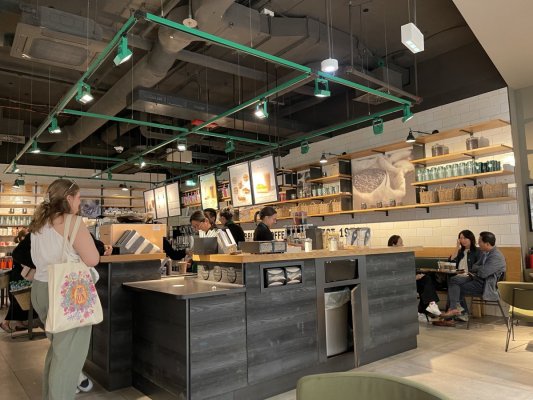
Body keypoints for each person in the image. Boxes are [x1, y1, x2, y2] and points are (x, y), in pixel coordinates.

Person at [29, 179, 100, 399]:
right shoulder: (73, 222)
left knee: (58, 352)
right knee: (69, 359)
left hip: (41, 289)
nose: (79, 203)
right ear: (68, 198)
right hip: (66, 292)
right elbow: (92, 259)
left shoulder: (39, 223)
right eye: (78, 198)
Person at [441, 231, 506, 319]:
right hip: (476, 278)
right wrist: (479, 268)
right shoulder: (486, 253)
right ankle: (456, 310)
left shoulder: (496, 256)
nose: (478, 244)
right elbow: (474, 267)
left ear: (487, 244)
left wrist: (478, 269)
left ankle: (456, 311)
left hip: (486, 284)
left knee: (455, 287)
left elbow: (483, 273)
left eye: (480, 242)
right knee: (453, 280)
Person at [388, 235, 441, 316]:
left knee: (427, 278)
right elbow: (397, 277)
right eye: (401, 243)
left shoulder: (402, 256)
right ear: (393, 245)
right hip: (403, 284)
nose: (403, 245)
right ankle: (427, 307)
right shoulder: (390, 259)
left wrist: (418, 274)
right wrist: (413, 278)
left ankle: (429, 306)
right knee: (426, 283)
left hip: (411, 281)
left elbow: (409, 270)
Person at [0, 229, 30, 333]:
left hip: (18, 278)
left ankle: (18, 323)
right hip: (17, 279)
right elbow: (23, 264)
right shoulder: (20, 249)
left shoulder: (22, 248)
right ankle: (5, 323)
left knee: (19, 302)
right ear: (22, 238)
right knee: (16, 302)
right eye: (27, 236)